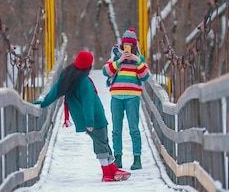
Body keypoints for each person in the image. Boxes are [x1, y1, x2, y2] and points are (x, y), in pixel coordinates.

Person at [33, 51, 131, 182]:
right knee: (101, 143)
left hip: (88, 118)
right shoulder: (84, 81)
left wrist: (43, 102)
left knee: (102, 142)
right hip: (95, 118)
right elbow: (88, 102)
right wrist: (90, 122)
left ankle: (113, 170)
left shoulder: (67, 74)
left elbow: (55, 91)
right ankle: (107, 173)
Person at [102, 28, 150, 170]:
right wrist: (120, 60)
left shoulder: (139, 59)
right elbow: (106, 71)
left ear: (134, 46)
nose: (127, 48)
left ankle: (137, 159)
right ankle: (118, 159)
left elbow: (145, 76)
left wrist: (137, 61)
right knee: (116, 129)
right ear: (122, 45)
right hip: (116, 97)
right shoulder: (116, 56)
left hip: (132, 97)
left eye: (130, 45)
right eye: (125, 45)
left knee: (134, 129)